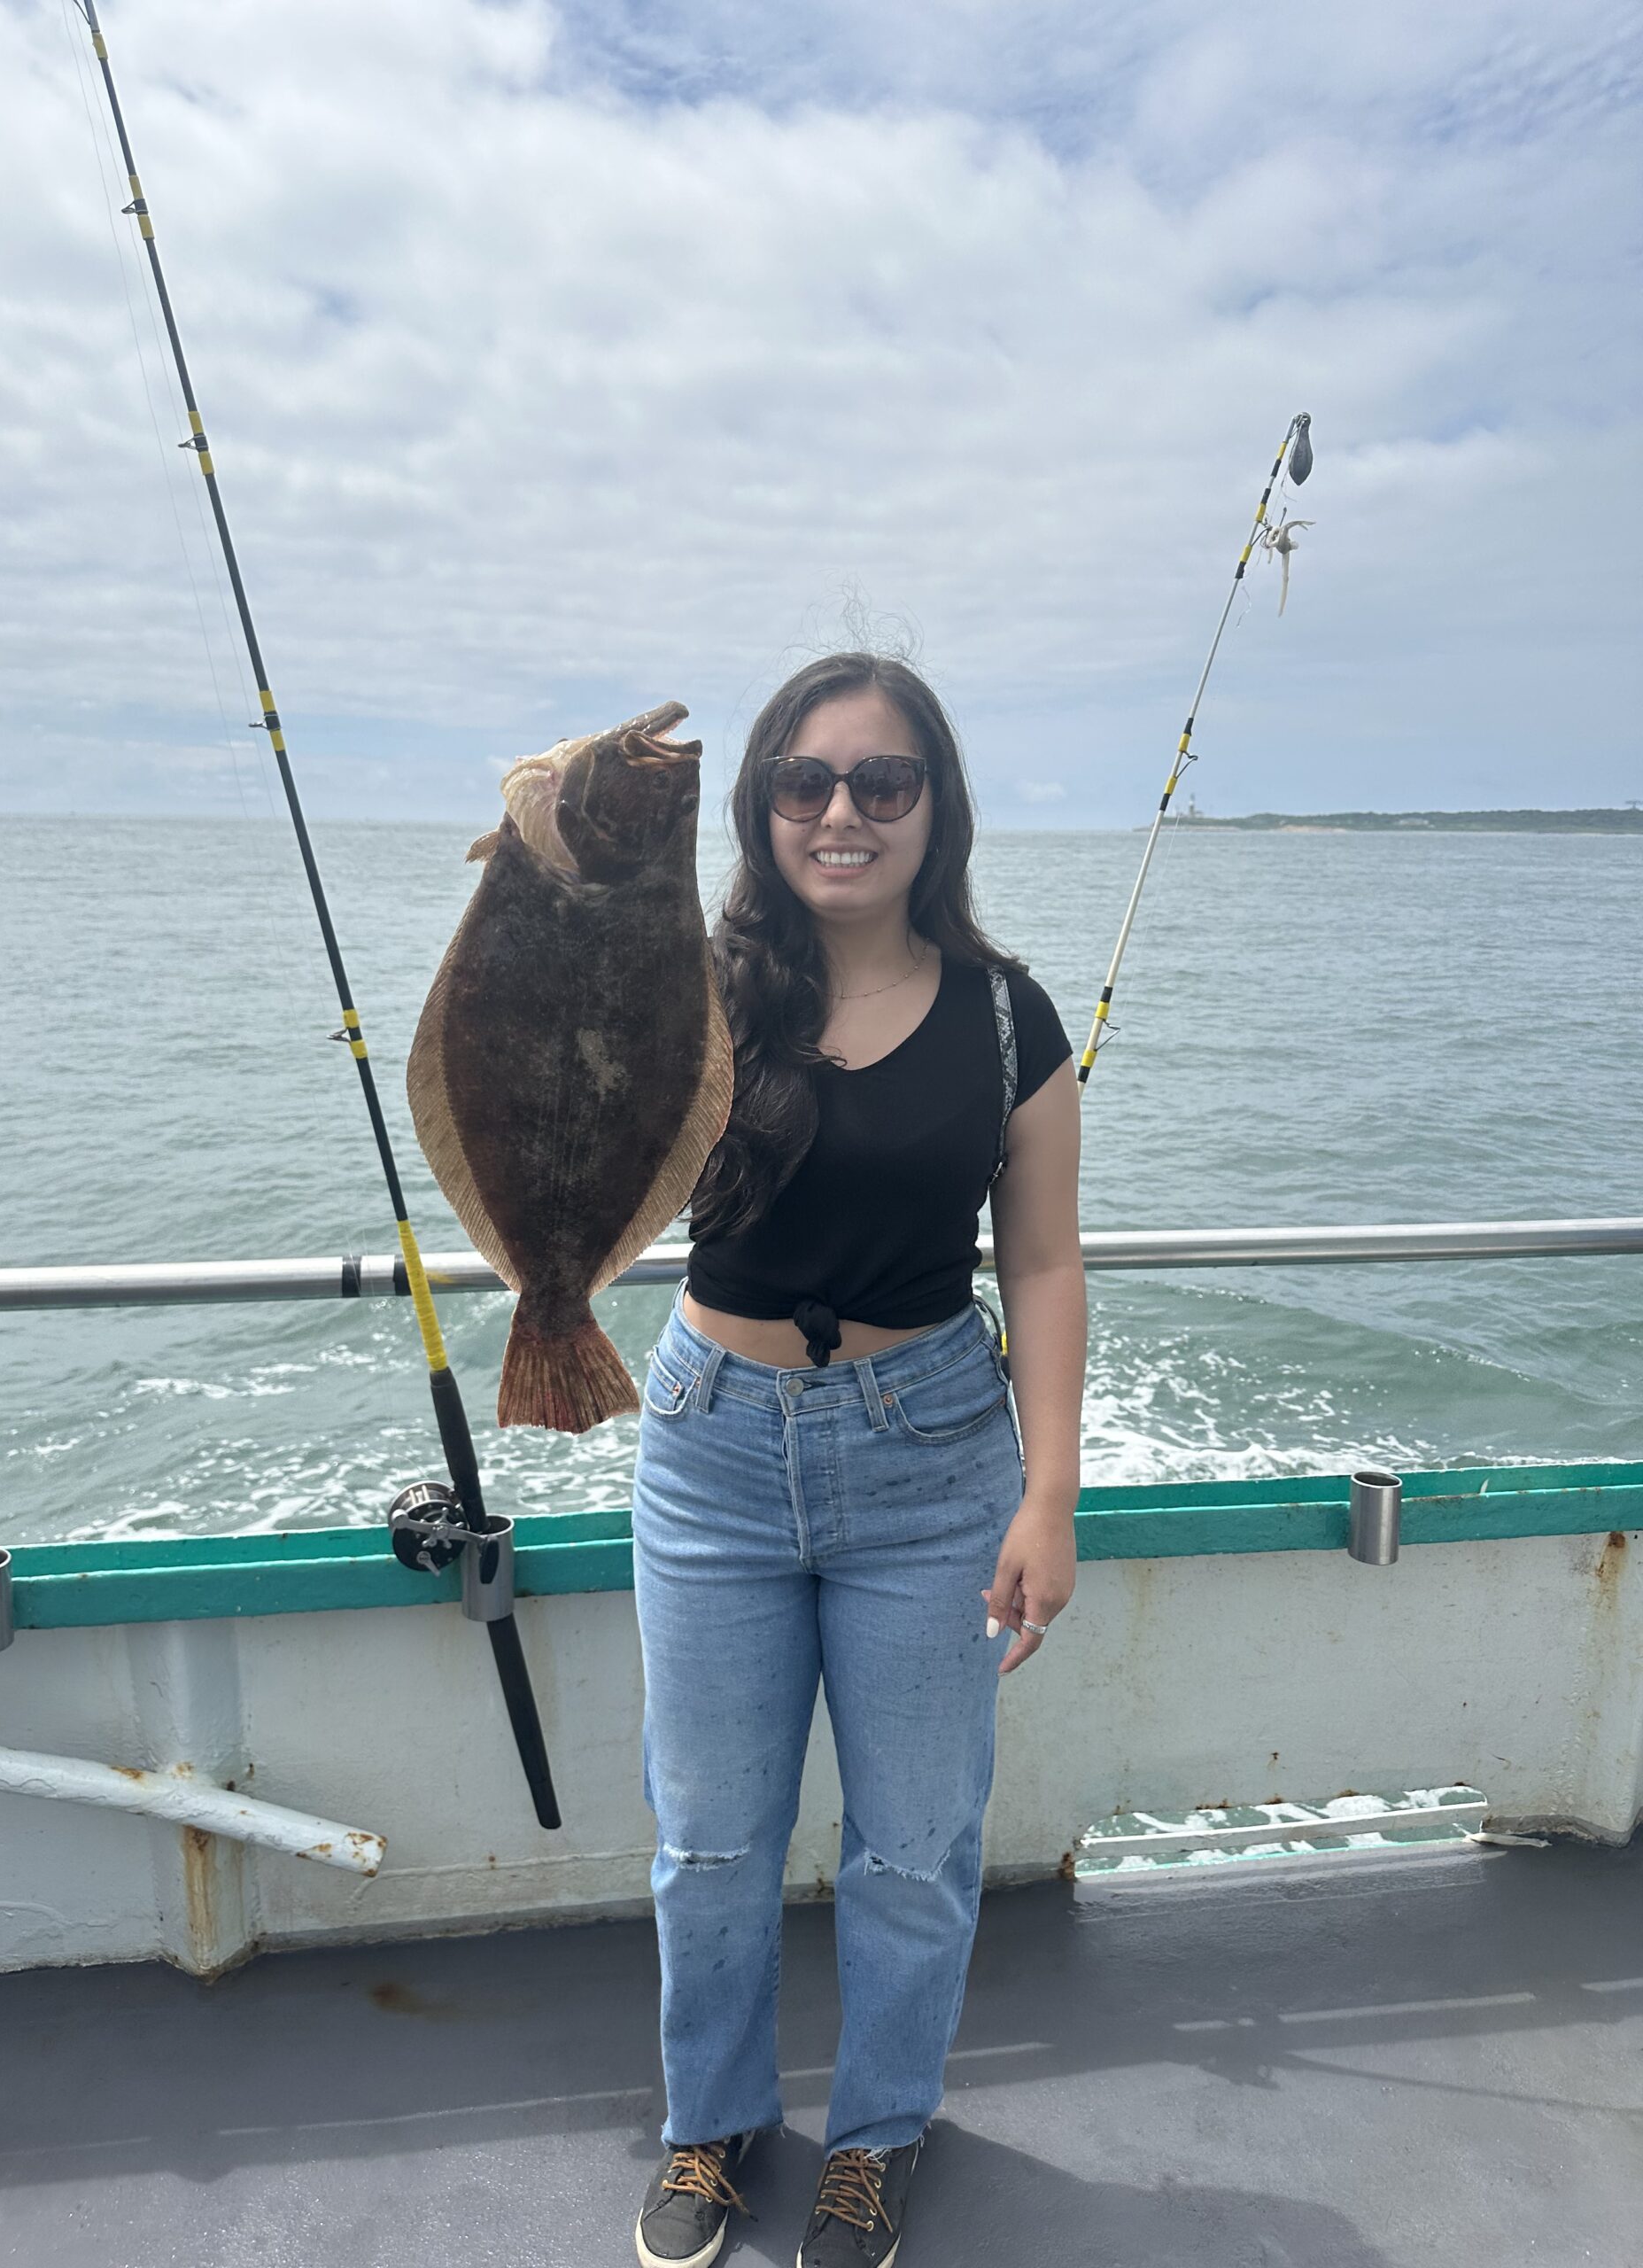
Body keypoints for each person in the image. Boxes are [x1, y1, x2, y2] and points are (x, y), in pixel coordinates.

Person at [632, 652, 1086, 2268]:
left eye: (882, 782)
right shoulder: (685, 985)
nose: (841, 813)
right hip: (709, 1451)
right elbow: (544, 1057)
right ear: (758, 810)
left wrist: (1049, 1490)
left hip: (932, 1458)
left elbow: (1040, 1265)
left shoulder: (1008, 1014)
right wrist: (554, 835)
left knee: (911, 1845)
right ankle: (714, 2119)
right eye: (804, 783)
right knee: (709, 1836)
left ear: (933, 808)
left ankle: (876, 2134)